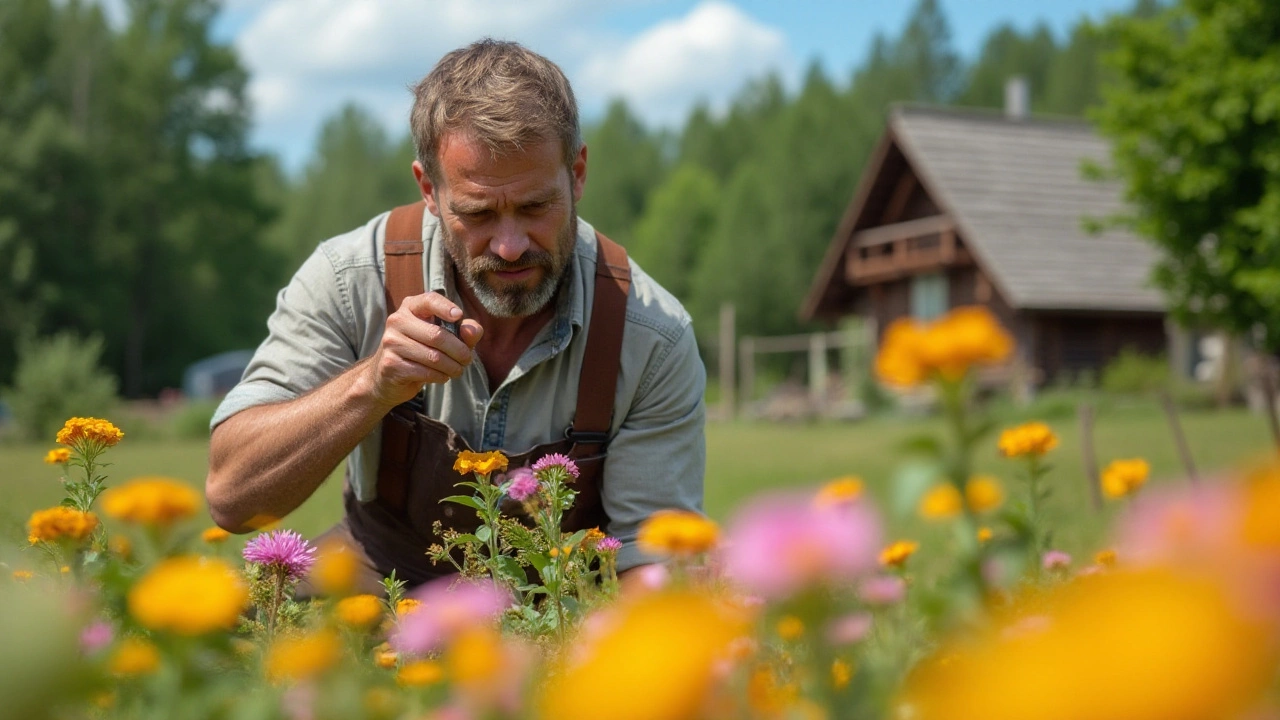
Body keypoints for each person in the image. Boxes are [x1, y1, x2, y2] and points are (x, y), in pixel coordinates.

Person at [205, 39, 706, 593]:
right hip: (381, 575)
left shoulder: (650, 332)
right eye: (479, 213)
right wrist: (372, 386)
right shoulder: (350, 279)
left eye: (535, 207)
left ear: (578, 173)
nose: (511, 245)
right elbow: (232, 498)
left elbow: (651, 560)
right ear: (429, 189)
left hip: (562, 606)